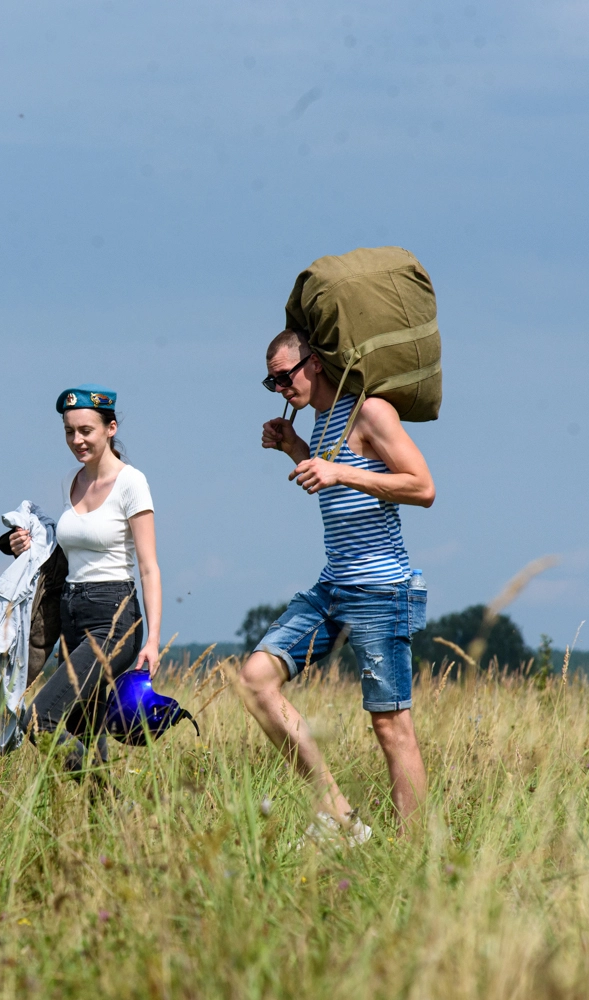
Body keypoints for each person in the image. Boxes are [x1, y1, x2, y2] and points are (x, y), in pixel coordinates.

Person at [236, 330, 434, 842]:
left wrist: (339, 473)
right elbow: (335, 483)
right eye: (271, 381)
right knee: (256, 679)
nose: (280, 388)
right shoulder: (321, 424)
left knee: (391, 726)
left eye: (285, 376)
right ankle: (340, 819)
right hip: (334, 585)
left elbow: (422, 487)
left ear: (317, 363)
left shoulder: (370, 413)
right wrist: (295, 449)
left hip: (381, 590)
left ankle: (416, 855)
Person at [4, 384, 164, 772]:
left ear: (110, 428)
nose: (77, 440)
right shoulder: (72, 482)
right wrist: (22, 541)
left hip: (114, 616)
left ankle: (112, 800)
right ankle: (107, 822)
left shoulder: (131, 482)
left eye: (86, 430)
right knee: (86, 731)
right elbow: (62, 548)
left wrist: (154, 638)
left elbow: (148, 566)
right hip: (71, 615)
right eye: (69, 431)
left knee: (42, 720)